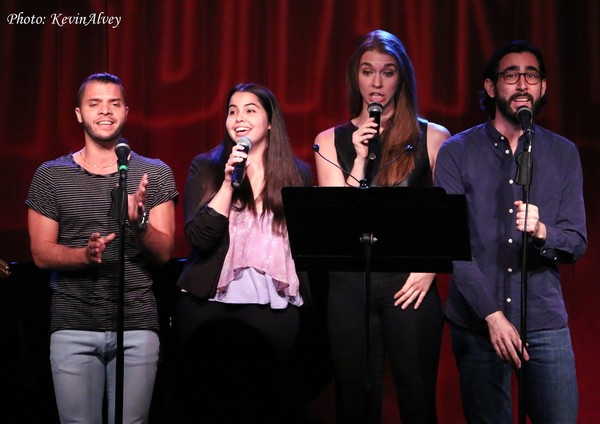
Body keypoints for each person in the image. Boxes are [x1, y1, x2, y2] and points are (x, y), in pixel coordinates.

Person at [434, 40, 587, 423]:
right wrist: (491, 315)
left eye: (531, 75)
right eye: (511, 75)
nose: (522, 83)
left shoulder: (563, 153)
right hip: (478, 323)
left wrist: (542, 232)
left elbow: (576, 242)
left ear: (543, 88)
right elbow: (452, 245)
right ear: (491, 87)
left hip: (542, 320)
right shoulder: (457, 151)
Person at [314, 29, 451, 423]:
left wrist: (428, 269)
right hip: (349, 286)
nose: (376, 83)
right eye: (367, 71)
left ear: (401, 77)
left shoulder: (433, 137)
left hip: (409, 284)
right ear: (355, 77)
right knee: (354, 404)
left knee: (417, 398)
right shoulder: (330, 140)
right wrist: (357, 159)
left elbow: (447, 214)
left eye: (388, 72)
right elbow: (335, 223)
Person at [25, 72, 178, 424]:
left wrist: (138, 222)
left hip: (137, 325)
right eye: (94, 104)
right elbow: (40, 252)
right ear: (79, 113)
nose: (105, 111)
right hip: (73, 324)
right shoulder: (50, 175)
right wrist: (84, 255)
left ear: (126, 111)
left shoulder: (153, 173)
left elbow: (164, 253)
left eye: (114, 103)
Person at [172, 83, 313, 423]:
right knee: (207, 406)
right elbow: (200, 237)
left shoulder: (298, 173)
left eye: (250, 110)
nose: (239, 118)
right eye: (232, 111)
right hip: (208, 307)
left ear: (269, 122)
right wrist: (227, 183)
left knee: (264, 405)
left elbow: (309, 243)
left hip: (273, 310)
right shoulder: (205, 167)